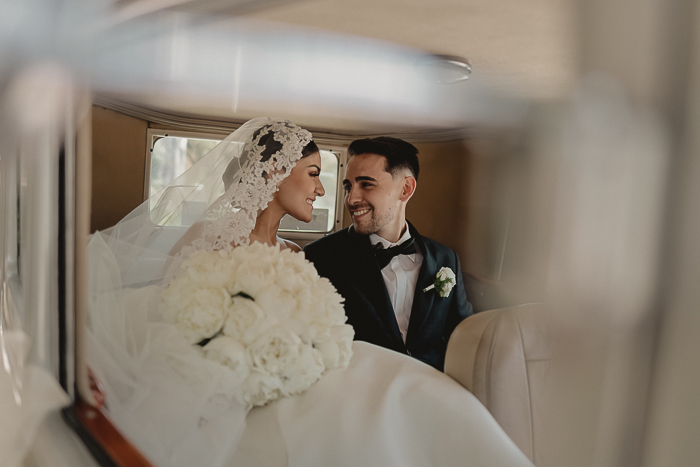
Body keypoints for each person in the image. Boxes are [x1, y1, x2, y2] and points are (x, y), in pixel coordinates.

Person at [86, 118, 532, 467]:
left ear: (406, 189)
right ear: (275, 172)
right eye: (320, 175)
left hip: (300, 367)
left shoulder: (294, 253)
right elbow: (178, 309)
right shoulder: (224, 239)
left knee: (421, 400)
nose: (329, 191)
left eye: (363, 183)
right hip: (230, 370)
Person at [304, 137, 473, 371]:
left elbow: (466, 337)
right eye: (348, 186)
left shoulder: (446, 259)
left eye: (366, 184)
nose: (351, 199)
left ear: (406, 189)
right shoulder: (320, 258)